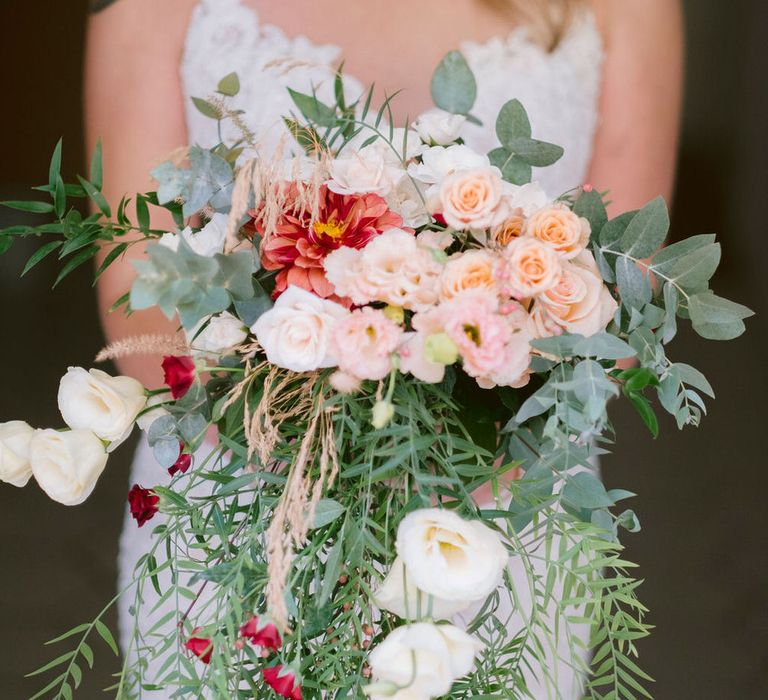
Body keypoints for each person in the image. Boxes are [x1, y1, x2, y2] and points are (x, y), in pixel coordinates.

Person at [84, 0, 683, 696]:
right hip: (236, 512)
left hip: (503, 511)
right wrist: (325, 460)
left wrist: (448, 451)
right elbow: (138, 285)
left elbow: (624, 286)